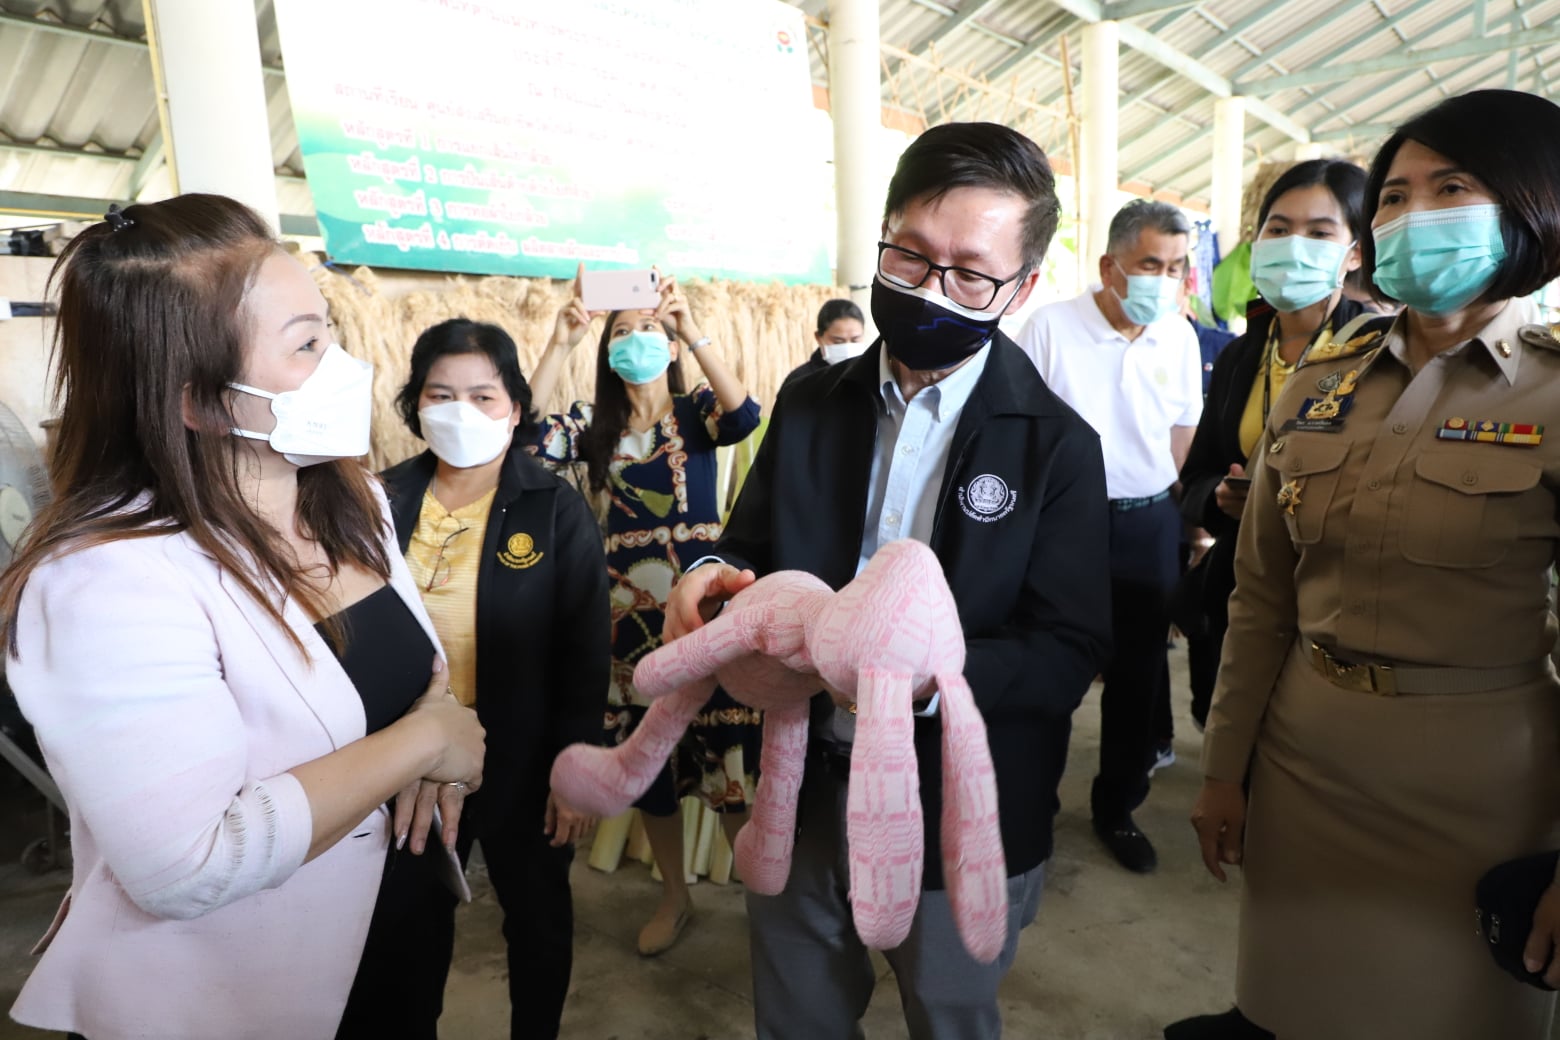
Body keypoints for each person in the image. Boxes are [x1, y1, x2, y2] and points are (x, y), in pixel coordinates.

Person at [664, 121, 1111, 1040]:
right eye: (909, 255)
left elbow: (1067, 650)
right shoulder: (810, 400)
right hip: (803, 781)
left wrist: (922, 682)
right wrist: (707, 574)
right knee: (797, 1014)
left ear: (1022, 288)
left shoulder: (1056, 446)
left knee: (948, 1012)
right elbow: (749, 537)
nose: (930, 289)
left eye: (971, 274)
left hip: (957, 808)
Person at [0, 194, 485, 1040]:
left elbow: (413, 674)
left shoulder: (355, 501)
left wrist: (434, 730)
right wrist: (424, 743)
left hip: (395, 938)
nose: (343, 363)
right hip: (235, 993)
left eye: (328, 330)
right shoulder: (106, 582)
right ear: (199, 402)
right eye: (305, 346)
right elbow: (186, 864)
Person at [1190, 89, 1560, 1040]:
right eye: (1393, 195)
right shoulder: (1323, 380)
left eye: (1451, 188)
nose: (1410, 214)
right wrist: (1224, 769)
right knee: (1289, 1005)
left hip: (1483, 790)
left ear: (1533, 206)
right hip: (1304, 760)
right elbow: (1261, 598)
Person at [333, 320, 611, 1039]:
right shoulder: (378, 500)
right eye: (441, 394)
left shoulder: (554, 508)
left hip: (524, 755)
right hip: (408, 757)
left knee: (537, 917)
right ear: (415, 405)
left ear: (515, 408)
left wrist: (575, 769)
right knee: (407, 929)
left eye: (483, 396)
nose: (461, 411)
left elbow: (585, 653)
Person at [528, 272, 761, 955]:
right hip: (626, 622)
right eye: (622, 331)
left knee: (725, 757)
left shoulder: (696, 413)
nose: (637, 339)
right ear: (607, 351)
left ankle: (763, 902)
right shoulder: (589, 425)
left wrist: (693, 329)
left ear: (671, 344)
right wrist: (559, 341)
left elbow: (745, 416)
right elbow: (524, 440)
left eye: (650, 328)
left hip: (703, 612)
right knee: (648, 761)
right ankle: (674, 895)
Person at [1015, 199, 1204, 874]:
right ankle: (1030, 805)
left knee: (1139, 675)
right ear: (1109, 266)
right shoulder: (1049, 329)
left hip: (1149, 523)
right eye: (1151, 264)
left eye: (1176, 266)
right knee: (1051, 667)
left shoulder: (1177, 335)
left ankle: (1117, 808)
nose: (1165, 279)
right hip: (1065, 527)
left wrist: (1166, 505)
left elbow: (1182, 431)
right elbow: (1019, 433)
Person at [1176, 159, 1369, 735]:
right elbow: (1199, 474)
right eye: (1279, 229)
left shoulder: (1377, 350)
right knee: (1227, 730)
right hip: (1239, 587)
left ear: (1355, 253)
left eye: (1319, 232)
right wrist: (1222, 497)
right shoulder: (1241, 356)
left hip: (1332, 602)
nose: (1293, 245)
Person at [781, 298, 867, 390]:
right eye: (838, 341)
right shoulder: (799, 381)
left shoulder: (871, 374)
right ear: (818, 337)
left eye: (855, 340)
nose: (847, 347)